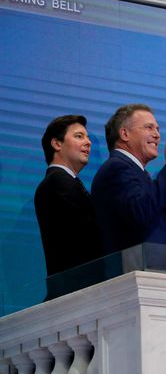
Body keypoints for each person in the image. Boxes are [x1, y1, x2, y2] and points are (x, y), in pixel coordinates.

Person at [91, 104, 166, 254]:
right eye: (149, 127)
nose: (157, 135)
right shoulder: (116, 168)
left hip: (155, 270)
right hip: (135, 270)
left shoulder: (138, 172)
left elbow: (151, 219)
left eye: (157, 129)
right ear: (125, 134)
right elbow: (141, 212)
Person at [35, 114, 103, 285]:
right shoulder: (58, 182)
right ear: (57, 143)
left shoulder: (63, 182)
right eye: (79, 136)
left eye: (87, 137)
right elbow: (89, 235)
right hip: (78, 288)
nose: (88, 142)